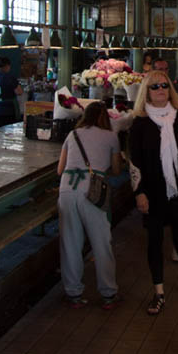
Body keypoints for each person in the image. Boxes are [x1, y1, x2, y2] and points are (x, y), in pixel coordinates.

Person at [128, 70, 178, 315]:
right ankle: (158, 292)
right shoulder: (139, 123)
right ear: (146, 93)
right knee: (155, 242)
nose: (160, 89)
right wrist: (139, 192)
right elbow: (135, 160)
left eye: (164, 85)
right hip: (154, 191)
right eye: (154, 86)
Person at [57, 102, 122, 307]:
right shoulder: (111, 137)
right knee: (101, 243)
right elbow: (117, 170)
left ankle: (73, 293)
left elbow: (60, 169)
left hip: (67, 188)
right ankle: (108, 294)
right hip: (93, 191)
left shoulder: (72, 135)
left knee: (70, 243)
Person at [0, 55, 23, 125]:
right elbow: (19, 91)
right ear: (6, 66)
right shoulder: (8, 77)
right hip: (7, 111)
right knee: (7, 133)